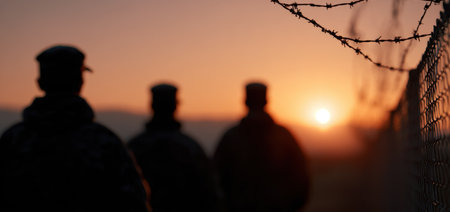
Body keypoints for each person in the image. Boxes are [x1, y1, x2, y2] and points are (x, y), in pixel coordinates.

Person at [0, 45, 150, 212]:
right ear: (80, 82)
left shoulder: (12, 141)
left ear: (40, 82)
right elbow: (134, 203)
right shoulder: (105, 142)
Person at [214, 82, 310, 212]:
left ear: (245, 101)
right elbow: (301, 176)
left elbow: (215, 177)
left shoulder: (231, 137)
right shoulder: (283, 136)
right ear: (266, 101)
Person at [128, 83, 220, 212]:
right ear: (176, 106)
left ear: (152, 105)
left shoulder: (133, 148)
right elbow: (210, 195)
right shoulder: (191, 148)